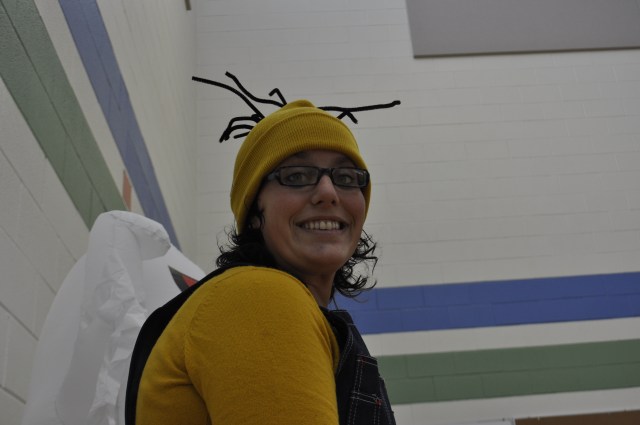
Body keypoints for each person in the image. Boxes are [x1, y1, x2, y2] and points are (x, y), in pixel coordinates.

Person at [125, 77, 399, 425]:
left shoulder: (275, 303)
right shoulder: (260, 296)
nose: (328, 193)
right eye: (296, 176)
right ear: (254, 210)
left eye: (346, 178)